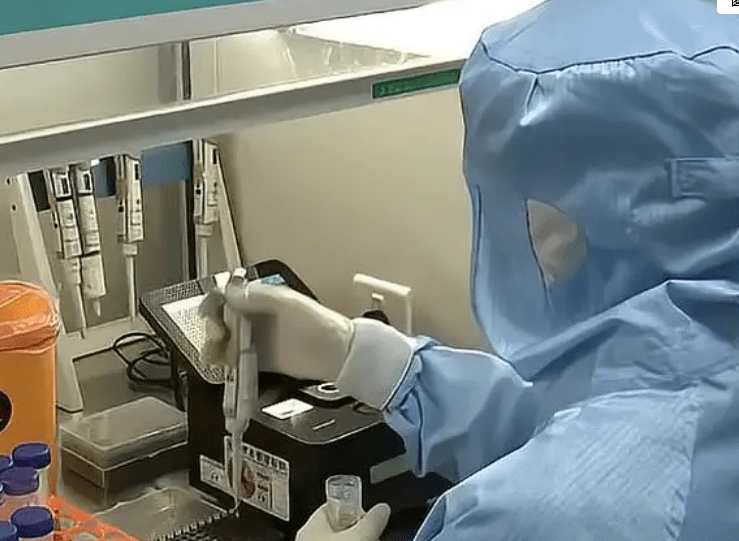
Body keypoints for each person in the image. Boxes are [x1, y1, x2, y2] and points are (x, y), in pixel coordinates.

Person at [222, 0, 739, 539]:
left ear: (561, 225)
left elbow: (578, 481)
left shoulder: (524, 520)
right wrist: (357, 354)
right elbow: (579, 418)